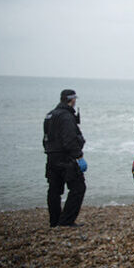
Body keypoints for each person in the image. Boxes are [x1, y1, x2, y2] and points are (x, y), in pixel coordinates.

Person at [43, 89, 87, 227]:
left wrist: (50, 151)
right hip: (65, 158)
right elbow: (69, 139)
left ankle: (54, 221)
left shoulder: (50, 115)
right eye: (74, 99)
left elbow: (45, 138)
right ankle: (66, 221)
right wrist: (78, 156)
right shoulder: (66, 117)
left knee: (54, 190)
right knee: (78, 187)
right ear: (71, 100)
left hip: (51, 157)